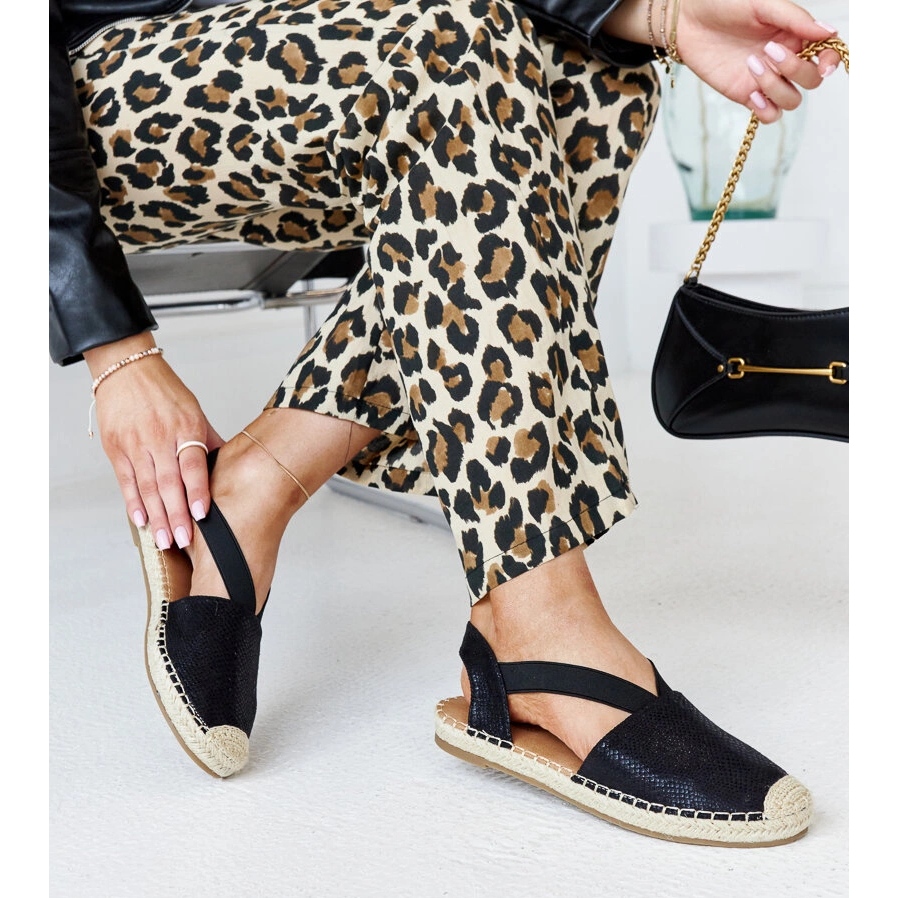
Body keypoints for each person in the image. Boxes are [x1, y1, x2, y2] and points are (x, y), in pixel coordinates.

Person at [50, 0, 843, 847]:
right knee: (447, 49)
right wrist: (116, 351)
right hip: (93, 91)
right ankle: (538, 625)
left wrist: (661, 12)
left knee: (597, 83)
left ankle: (259, 481)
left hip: (333, 41)